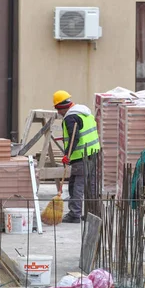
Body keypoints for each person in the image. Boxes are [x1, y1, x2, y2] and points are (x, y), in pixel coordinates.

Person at [53, 90, 100, 223]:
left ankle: (75, 214)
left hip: (81, 156)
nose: (58, 113)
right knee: (91, 186)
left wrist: (67, 154)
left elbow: (75, 137)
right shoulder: (85, 113)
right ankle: (93, 213)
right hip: (93, 153)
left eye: (58, 109)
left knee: (76, 185)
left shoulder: (70, 117)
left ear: (62, 107)